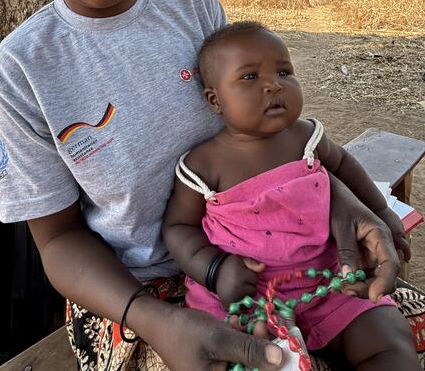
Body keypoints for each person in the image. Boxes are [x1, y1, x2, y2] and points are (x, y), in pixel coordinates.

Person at [0, 0, 411, 371]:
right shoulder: (23, 67)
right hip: (139, 291)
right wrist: (157, 320)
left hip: (279, 244)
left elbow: (258, 126)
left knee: (390, 333)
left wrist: (344, 199)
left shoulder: (191, 5)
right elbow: (58, 241)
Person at [163, 22, 420, 369]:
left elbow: (347, 168)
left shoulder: (306, 138)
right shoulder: (202, 166)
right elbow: (178, 228)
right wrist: (215, 269)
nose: (274, 85)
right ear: (215, 100)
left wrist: (382, 213)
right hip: (247, 297)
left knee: (388, 337)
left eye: (284, 72)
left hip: (330, 283)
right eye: (250, 77)